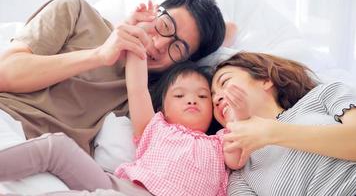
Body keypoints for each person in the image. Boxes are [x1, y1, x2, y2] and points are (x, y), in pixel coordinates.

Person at [0, 47, 248, 195]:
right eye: (180, 95)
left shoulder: (219, 143)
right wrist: (138, 41)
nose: (192, 100)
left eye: (203, 96)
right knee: (55, 147)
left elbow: (238, 153)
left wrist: (235, 108)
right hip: (124, 189)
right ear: (162, 107)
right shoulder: (156, 128)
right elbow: (138, 87)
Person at [0, 0, 226, 154]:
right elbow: (5, 74)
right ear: (155, 11)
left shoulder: (149, 98)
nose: (159, 44)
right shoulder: (77, 13)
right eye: (165, 25)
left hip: (51, 162)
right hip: (7, 121)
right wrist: (99, 55)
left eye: (178, 48)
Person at [211, 52, 356, 195]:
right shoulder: (241, 175)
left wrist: (271, 133)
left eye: (224, 82)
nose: (216, 99)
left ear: (265, 80)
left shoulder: (323, 95)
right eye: (211, 98)